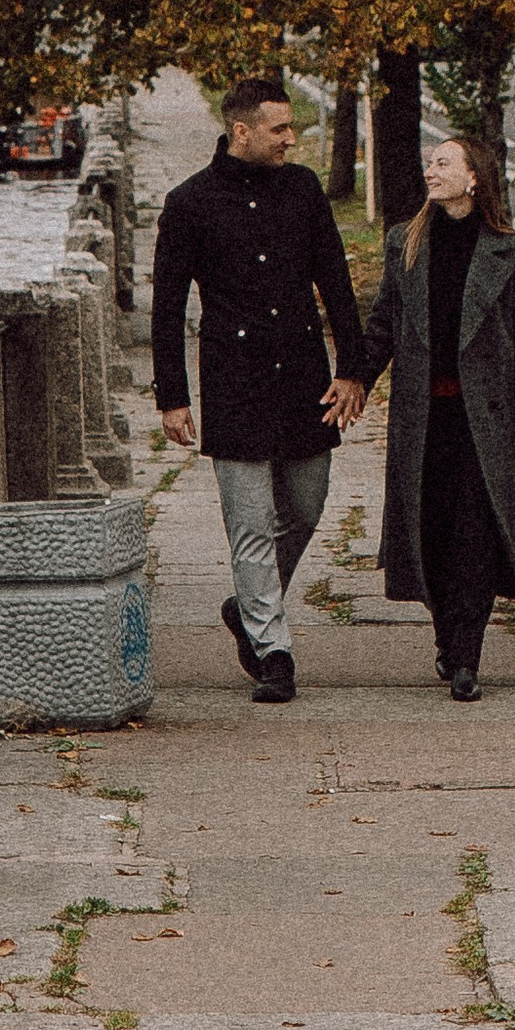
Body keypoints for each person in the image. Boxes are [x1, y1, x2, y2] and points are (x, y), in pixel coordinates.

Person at [152, 75, 364, 707]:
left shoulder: (303, 189)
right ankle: (273, 651)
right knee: (249, 525)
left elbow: (336, 279)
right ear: (241, 131)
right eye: (280, 128)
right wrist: (172, 396)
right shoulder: (189, 203)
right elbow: (167, 307)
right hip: (234, 383)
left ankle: (246, 605)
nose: (291, 139)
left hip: (303, 376)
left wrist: (352, 369)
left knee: (306, 505)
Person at [359, 132, 515, 702]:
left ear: (473, 178)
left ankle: (467, 656)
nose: (430, 170)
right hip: (424, 419)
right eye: (429, 162)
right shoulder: (406, 242)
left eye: (443, 163)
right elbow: (383, 324)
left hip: (485, 421)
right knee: (432, 532)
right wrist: (355, 380)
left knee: (477, 536)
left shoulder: (509, 252)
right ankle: (447, 635)